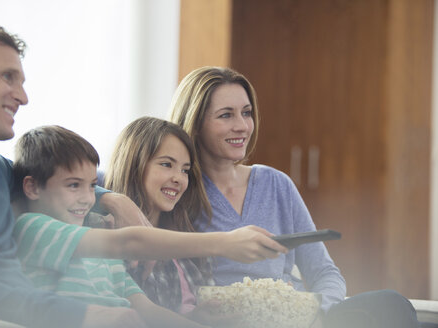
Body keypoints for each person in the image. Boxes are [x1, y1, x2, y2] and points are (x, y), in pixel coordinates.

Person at [0, 19, 163, 328]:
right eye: (8, 77)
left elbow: (56, 185)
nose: (23, 97)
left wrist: (116, 201)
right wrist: (79, 315)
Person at [168, 66, 419, 328]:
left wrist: (318, 314)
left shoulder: (276, 184)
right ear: (195, 123)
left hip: (298, 320)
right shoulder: (178, 192)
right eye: (226, 115)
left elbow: (324, 272)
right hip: (235, 322)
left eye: (246, 113)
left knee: (391, 305)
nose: (242, 126)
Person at [12, 125, 287, 327]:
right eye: (74, 185)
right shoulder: (34, 228)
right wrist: (225, 243)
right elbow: (127, 242)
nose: (86, 198)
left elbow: (147, 311)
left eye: (93, 186)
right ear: (32, 187)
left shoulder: (103, 255)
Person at [104, 117, 249, 323]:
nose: (178, 178)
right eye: (166, 164)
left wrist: (196, 317)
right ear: (134, 164)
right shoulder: (109, 236)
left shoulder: (186, 244)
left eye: (184, 170)